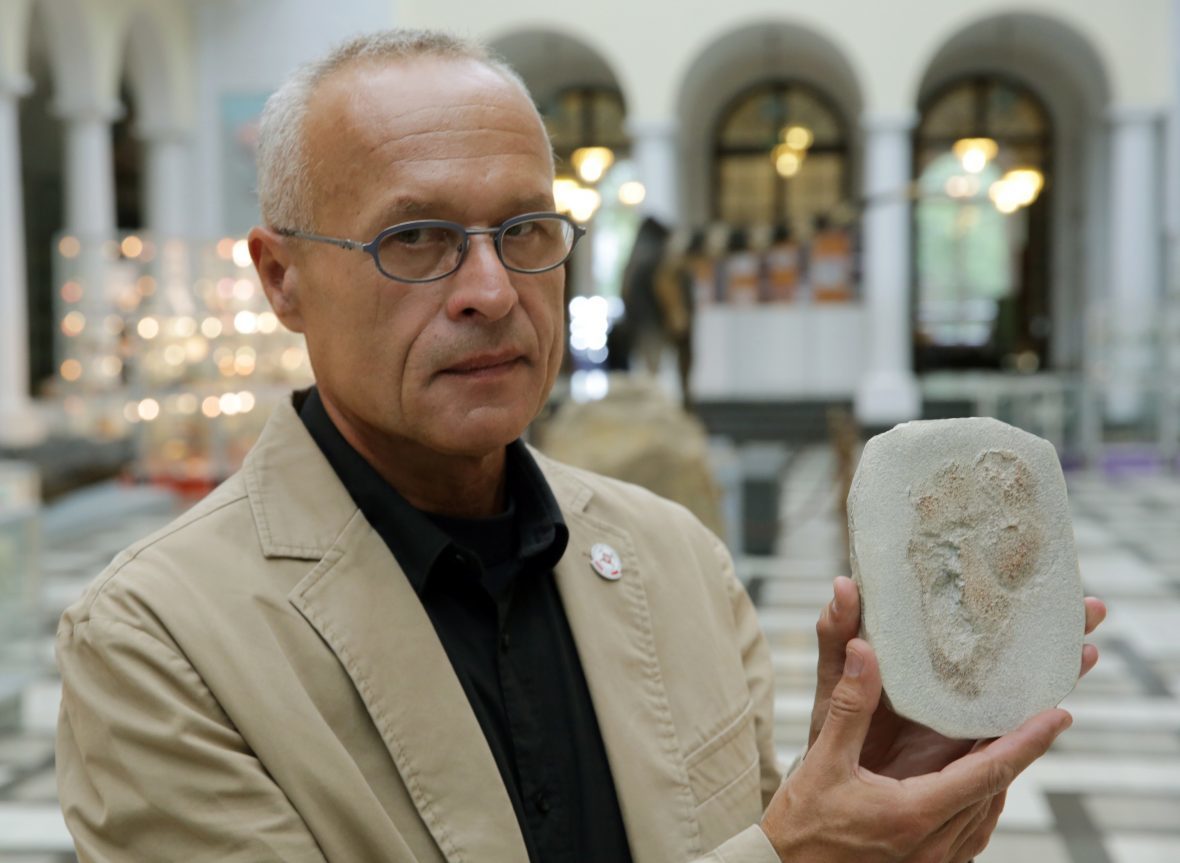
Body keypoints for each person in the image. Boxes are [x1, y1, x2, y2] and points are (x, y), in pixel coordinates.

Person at [54, 29, 1106, 863]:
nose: (490, 290)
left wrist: (865, 791)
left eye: (525, 229)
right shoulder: (157, 642)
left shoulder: (673, 556)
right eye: (413, 238)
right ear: (281, 278)